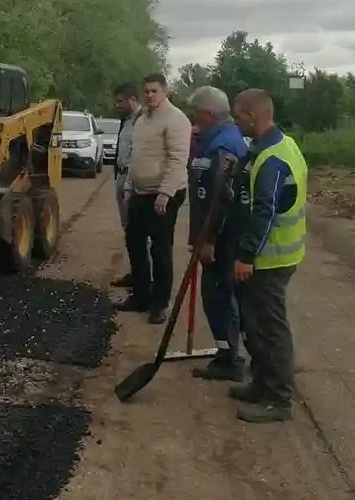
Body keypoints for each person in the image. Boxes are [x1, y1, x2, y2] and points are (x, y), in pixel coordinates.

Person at [227, 88, 308, 423]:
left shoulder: (273, 160)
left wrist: (246, 256)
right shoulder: (276, 146)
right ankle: (261, 384)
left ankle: (279, 400)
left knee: (271, 329)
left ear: (251, 116)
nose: (235, 122)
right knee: (257, 326)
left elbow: (265, 212)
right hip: (272, 256)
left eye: (237, 116)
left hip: (271, 259)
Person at [185, 86, 249, 383]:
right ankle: (230, 354)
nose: (193, 119)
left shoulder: (224, 145)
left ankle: (229, 359)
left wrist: (209, 240)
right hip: (215, 237)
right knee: (220, 296)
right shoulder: (212, 140)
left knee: (219, 296)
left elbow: (221, 198)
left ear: (210, 114)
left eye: (196, 113)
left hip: (222, 241)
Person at [118, 73, 191, 324]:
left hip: (165, 194)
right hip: (141, 192)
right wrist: (129, 187)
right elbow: (136, 157)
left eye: (154, 91)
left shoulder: (176, 119)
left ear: (165, 91)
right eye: (147, 91)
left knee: (160, 249)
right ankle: (141, 297)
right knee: (135, 243)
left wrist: (165, 193)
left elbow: (177, 160)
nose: (149, 95)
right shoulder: (142, 120)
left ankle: (159, 304)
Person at [111, 82, 143, 289]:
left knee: (138, 230)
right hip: (121, 178)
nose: (117, 105)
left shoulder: (144, 120)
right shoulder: (125, 120)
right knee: (128, 229)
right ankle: (136, 271)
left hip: (134, 181)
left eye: (120, 101)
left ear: (132, 100)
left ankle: (144, 277)